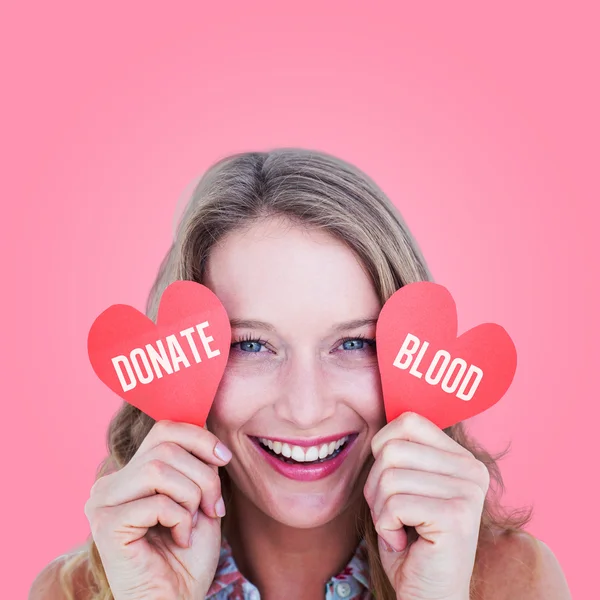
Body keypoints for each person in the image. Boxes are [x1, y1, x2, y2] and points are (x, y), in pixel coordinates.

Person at [30, 148, 571, 600]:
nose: (306, 409)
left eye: (354, 343)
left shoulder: (513, 582)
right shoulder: (70, 591)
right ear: (180, 361)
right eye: (253, 346)